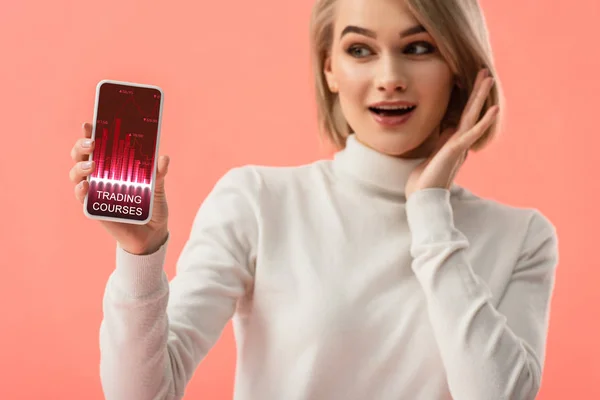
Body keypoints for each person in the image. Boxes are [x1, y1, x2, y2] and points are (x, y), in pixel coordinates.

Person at [69, 0, 559, 399]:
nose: (389, 77)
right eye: (360, 50)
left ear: (457, 64)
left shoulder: (522, 238)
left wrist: (430, 210)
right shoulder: (258, 202)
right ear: (330, 69)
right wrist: (141, 255)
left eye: (418, 46)